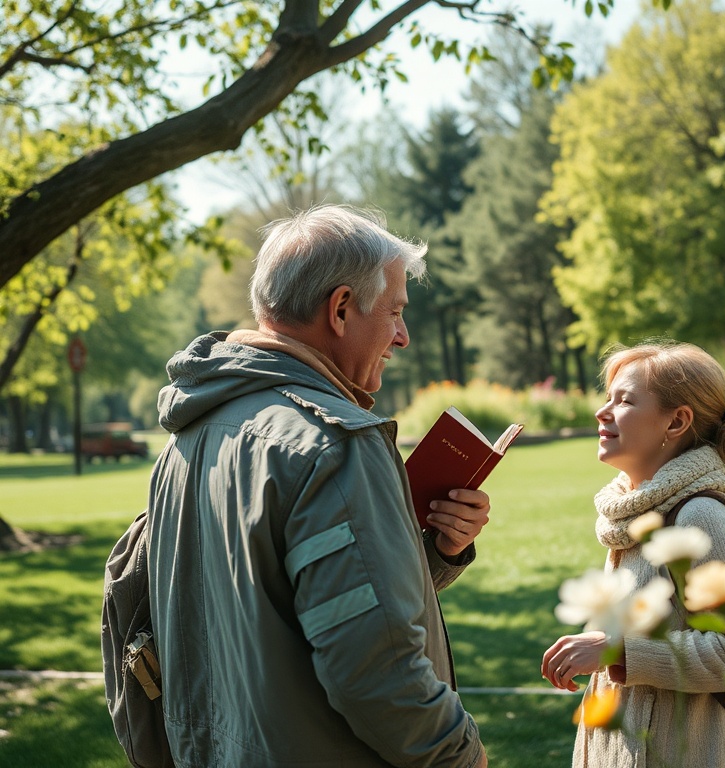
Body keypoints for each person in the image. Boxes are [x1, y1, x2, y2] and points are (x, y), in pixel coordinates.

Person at [147, 205, 488, 767]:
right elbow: (376, 670)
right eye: (396, 311)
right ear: (341, 308)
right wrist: (461, 756)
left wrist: (436, 552)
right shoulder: (334, 445)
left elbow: (287, 607)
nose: (403, 337)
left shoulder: (189, 435)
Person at [541, 341, 725, 767]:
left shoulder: (701, 516)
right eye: (607, 398)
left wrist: (617, 651)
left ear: (676, 421)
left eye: (624, 401)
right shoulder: (636, 515)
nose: (602, 412)